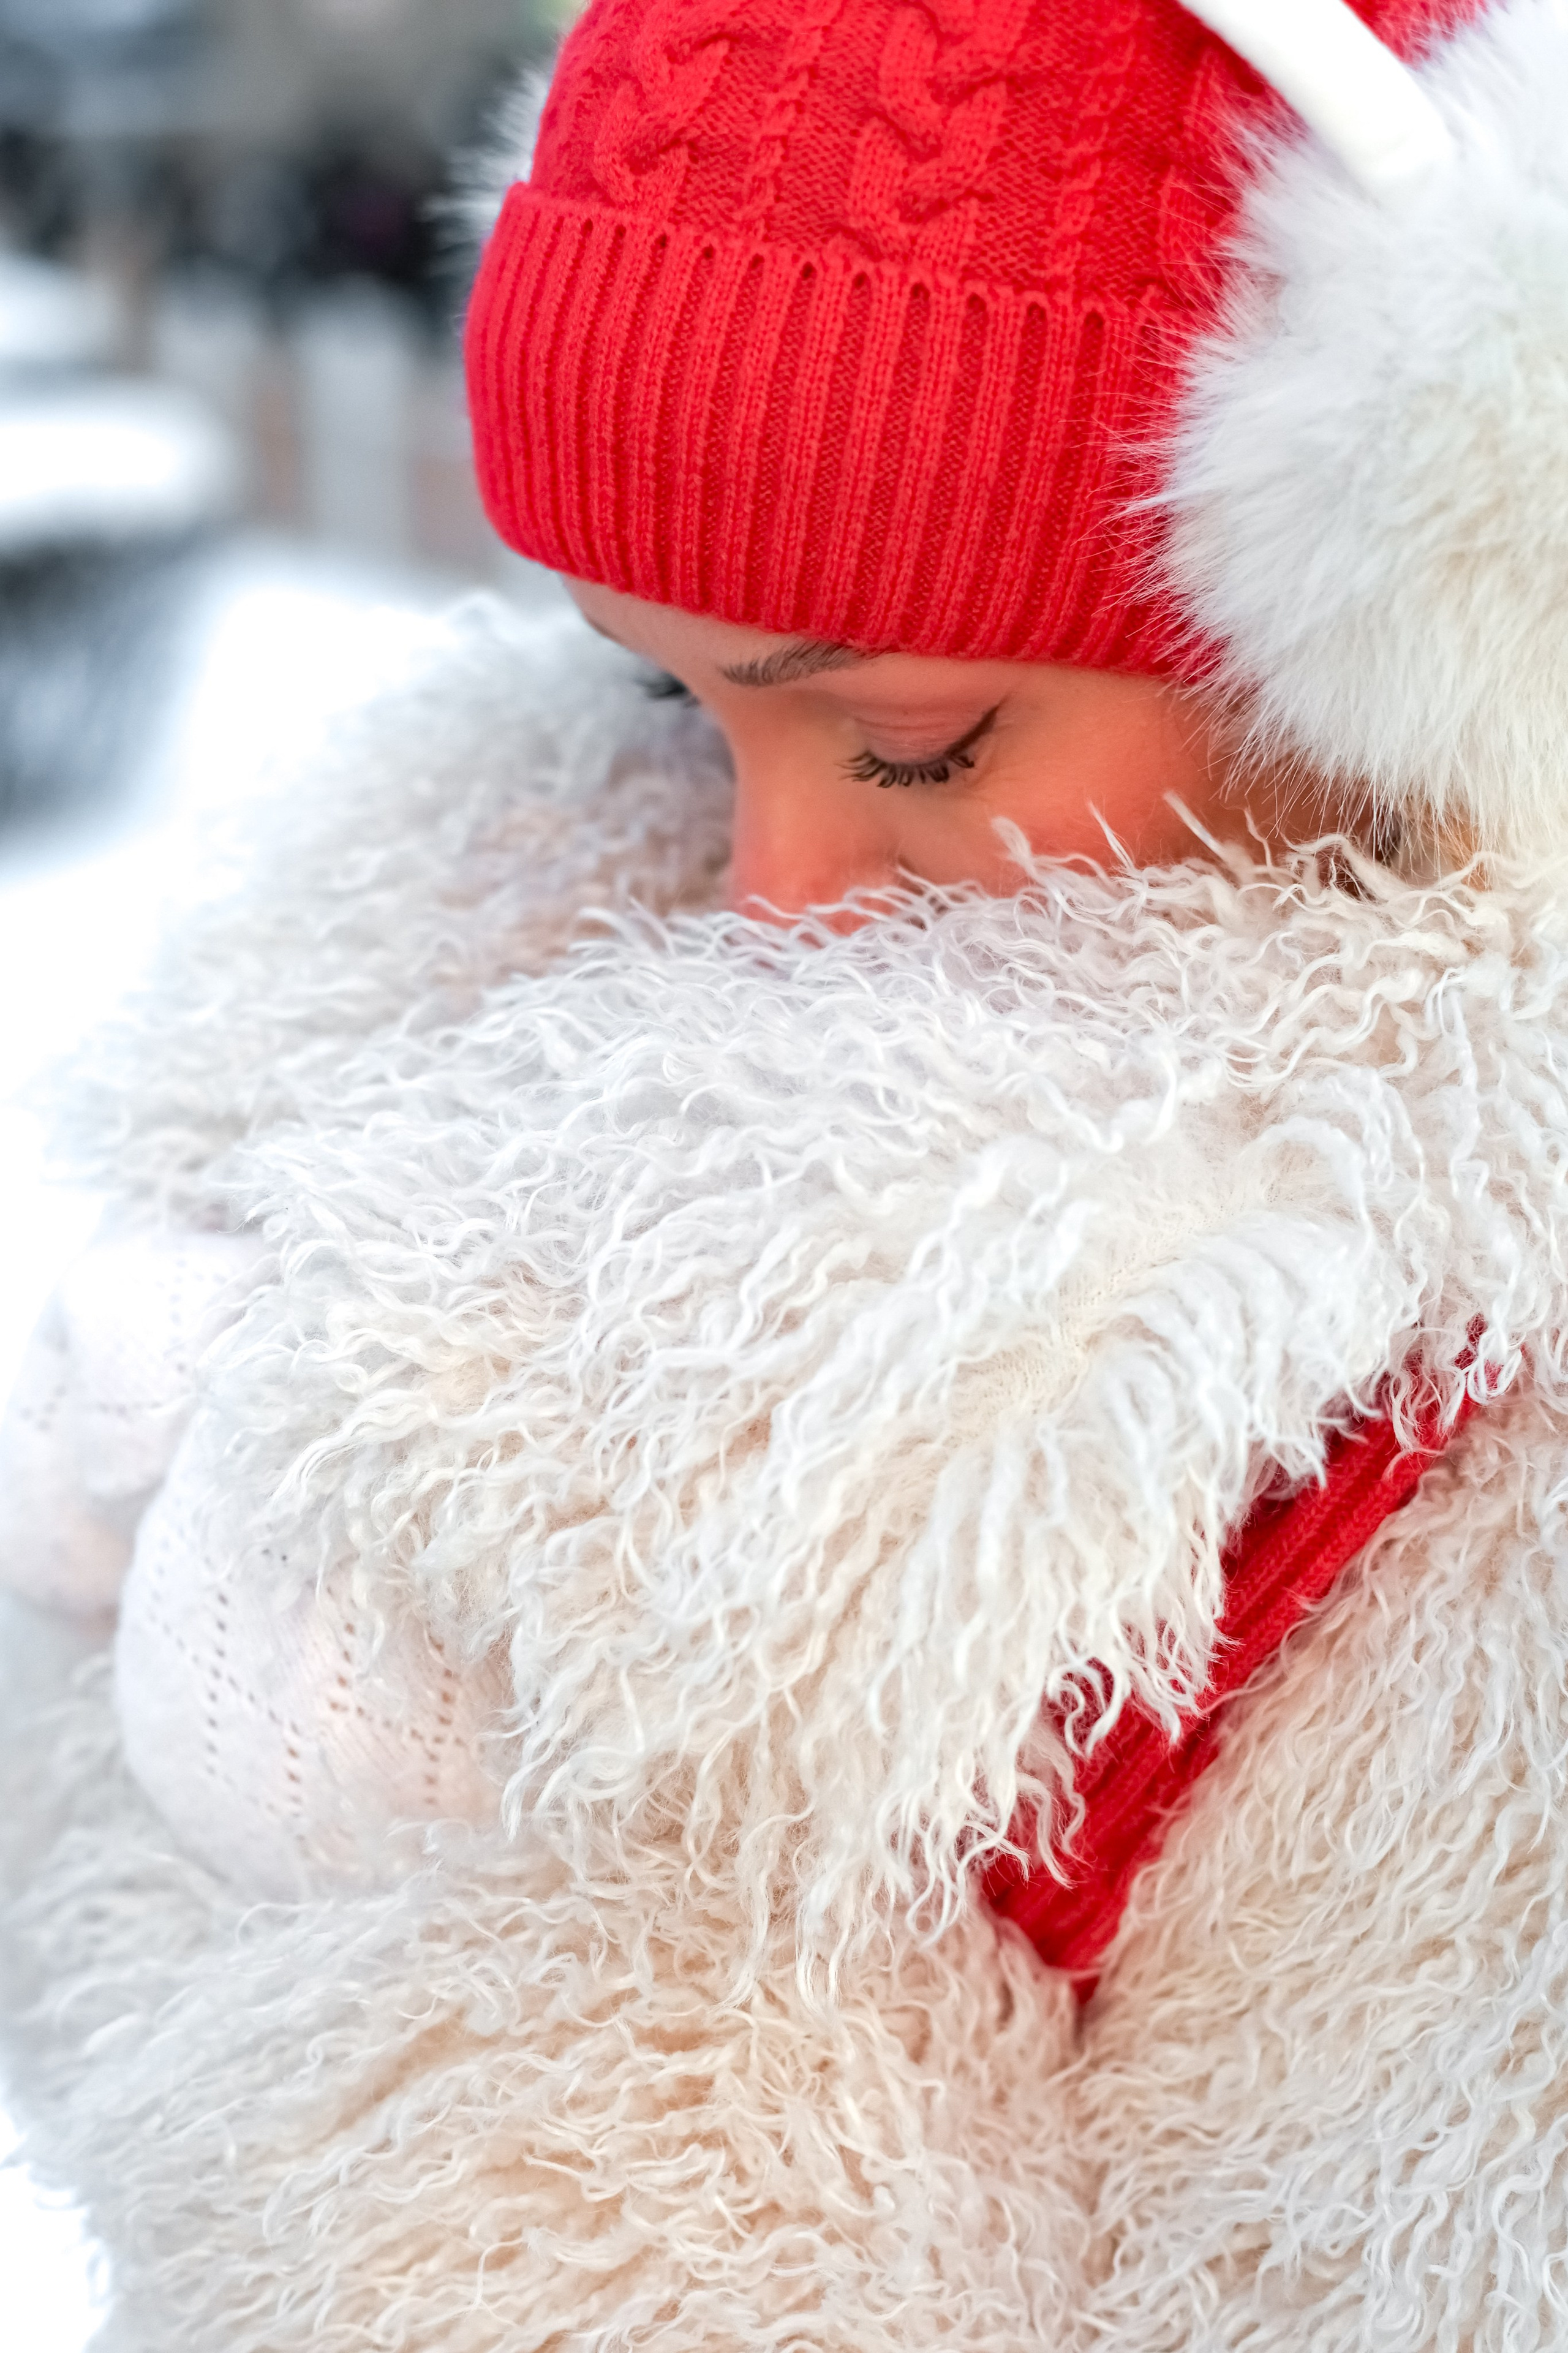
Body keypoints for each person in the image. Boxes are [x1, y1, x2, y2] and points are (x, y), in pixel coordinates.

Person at [4, 0, 1568, 2344]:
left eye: (912, 740)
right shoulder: (464, 975)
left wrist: (511, 2022)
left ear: (1414, 610)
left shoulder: (1476, 1541)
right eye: (673, 702)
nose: (773, 899)